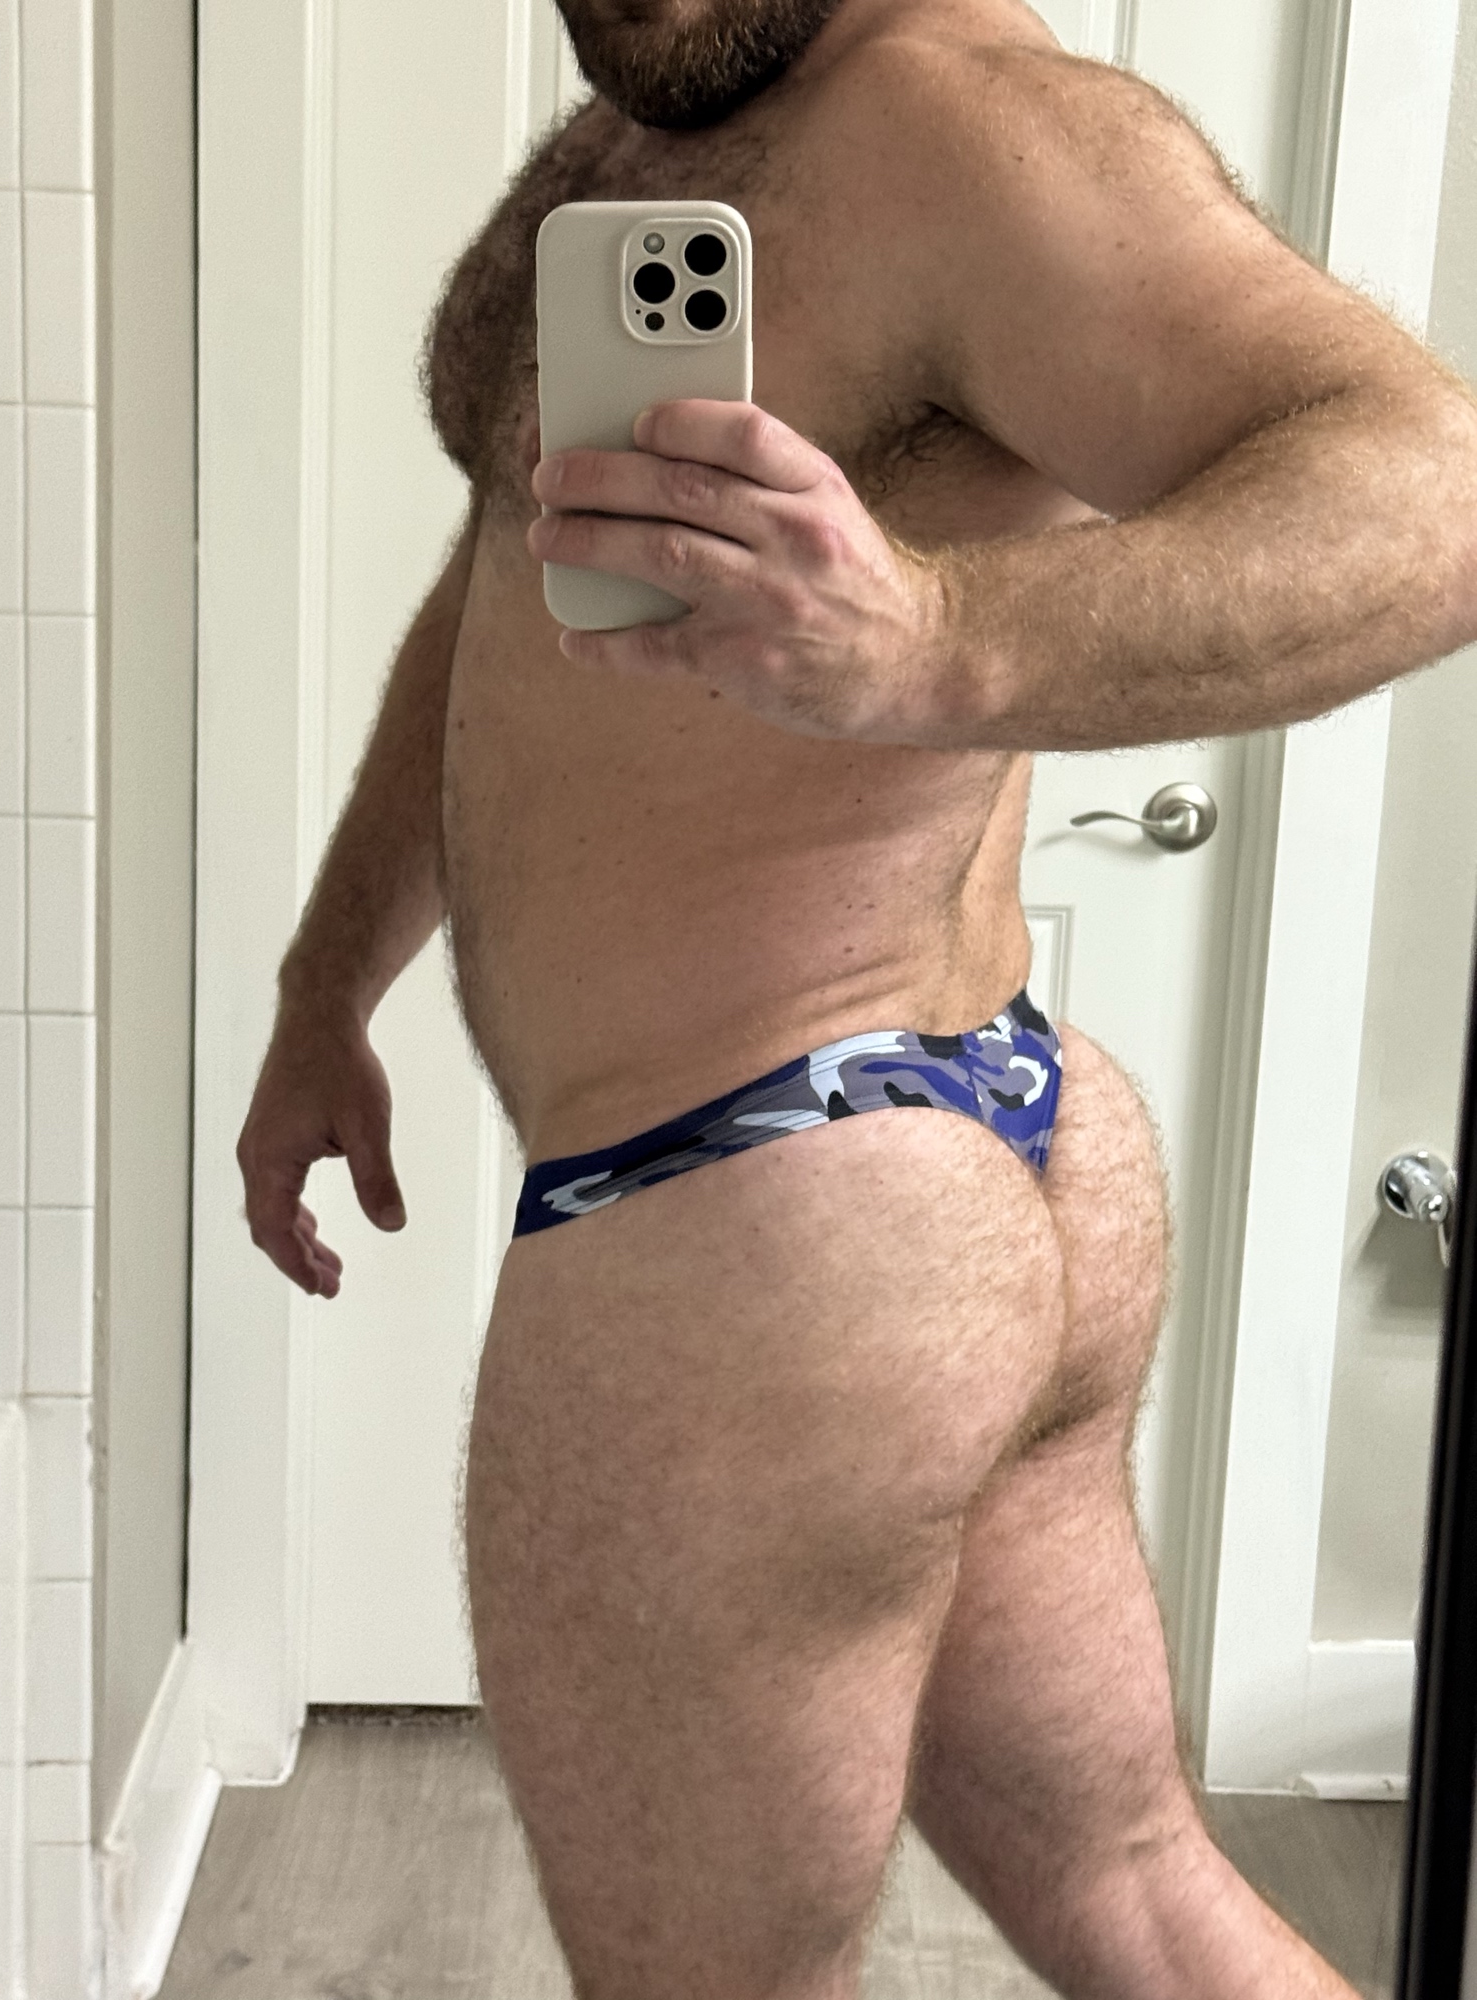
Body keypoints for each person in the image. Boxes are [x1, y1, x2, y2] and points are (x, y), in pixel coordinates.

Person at [236, 0, 1477, 1991]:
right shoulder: (654, 136)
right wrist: (327, 984)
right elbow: (507, 578)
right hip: (961, 1157)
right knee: (1137, 1892)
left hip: (777, 1214)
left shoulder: (966, 120)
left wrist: (938, 635)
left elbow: (1433, 494)